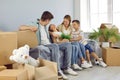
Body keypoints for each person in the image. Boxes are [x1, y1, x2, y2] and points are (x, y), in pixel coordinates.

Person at [19, 11, 77, 80]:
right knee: (54, 46)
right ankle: (58, 71)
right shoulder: (35, 24)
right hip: (43, 45)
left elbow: (51, 32)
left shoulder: (45, 26)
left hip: (50, 44)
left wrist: (51, 33)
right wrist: (29, 28)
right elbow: (21, 27)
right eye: (49, 21)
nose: (49, 23)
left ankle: (66, 68)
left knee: (68, 44)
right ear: (47, 20)